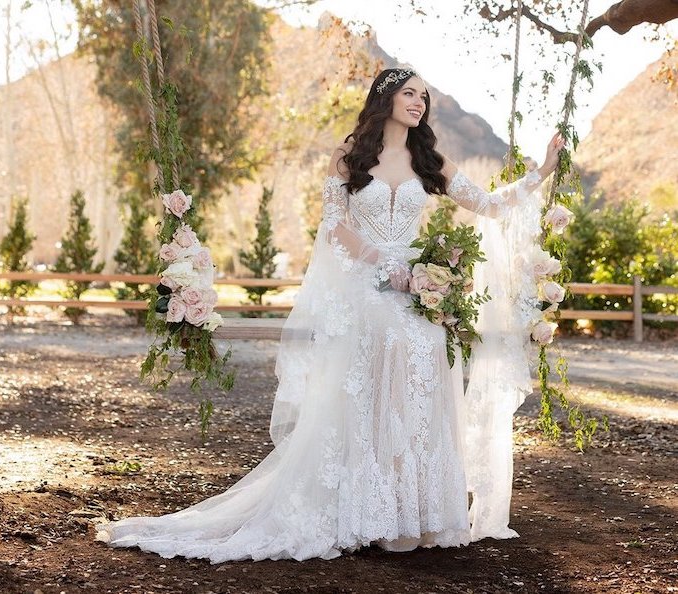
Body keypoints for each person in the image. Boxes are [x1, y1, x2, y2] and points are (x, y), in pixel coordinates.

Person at [96, 67, 564, 562]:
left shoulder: (429, 160)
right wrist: (385, 266)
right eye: (409, 94)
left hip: (418, 287)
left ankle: (412, 512)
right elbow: (337, 229)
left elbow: (490, 205)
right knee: (385, 334)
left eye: (423, 97)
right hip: (364, 283)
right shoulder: (349, 158)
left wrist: (543, 171)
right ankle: (362, 507)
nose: (419, 103)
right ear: (384, 99)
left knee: (426, 343)